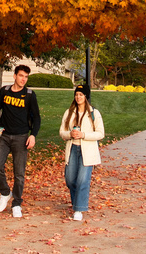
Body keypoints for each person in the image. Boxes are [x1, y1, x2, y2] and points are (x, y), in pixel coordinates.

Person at [0, 64, 41, 217]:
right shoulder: (4, 91)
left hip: (21, 138)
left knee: (19, 174)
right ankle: (5, 193)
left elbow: (37, 117)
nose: (23, 79)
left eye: (26, 77)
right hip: (4, 137)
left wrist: (33, 135)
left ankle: (16, 203)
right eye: (21, 76)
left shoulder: (30, 95)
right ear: (14, 76)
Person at [59, 83, 104, 221]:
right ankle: (77, 202)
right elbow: (62, 132)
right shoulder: (69, 112)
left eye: (81, 95)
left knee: (82, 180)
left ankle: (79, 208)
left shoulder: (93, 113)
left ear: (86, 96)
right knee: (70, 179)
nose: (78, 97)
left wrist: (83, 135)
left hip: (87, 151)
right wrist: (70, 134)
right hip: (72, 149)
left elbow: (100, 133)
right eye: (77, 95)